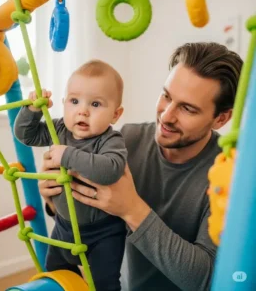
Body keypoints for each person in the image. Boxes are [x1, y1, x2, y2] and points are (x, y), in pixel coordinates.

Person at [39, 42, 243, 291]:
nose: (166, 116)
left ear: (221, 119)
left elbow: (206, 280)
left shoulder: (231, 173)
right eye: (167, 96)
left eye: (187, 108)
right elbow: (82, 212)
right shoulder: (125, 141)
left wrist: (132, 209)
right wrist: (53, 201)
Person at [14, 60, 128, 291]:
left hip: (103, 234)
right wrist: (32, 110)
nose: (82, 110)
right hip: (64, 227)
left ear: (115, 114)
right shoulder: (60, 130)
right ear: (64, 103)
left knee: (103, 284)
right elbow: (25, 135)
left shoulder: (110, 140)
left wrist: (68, 155)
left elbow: (110, 169)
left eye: (95, 104)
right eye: (74, 101)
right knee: (55, 274)